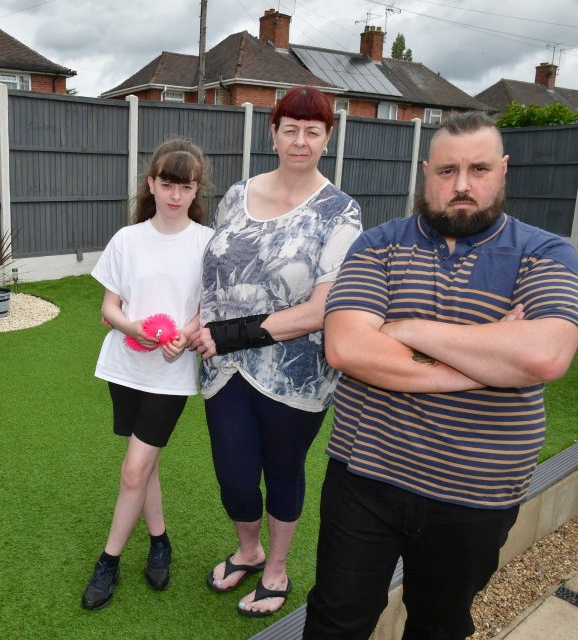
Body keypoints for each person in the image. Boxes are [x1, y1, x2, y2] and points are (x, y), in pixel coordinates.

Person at [303, 111, 578, 639]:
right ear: (425, 171)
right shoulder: (377, 246)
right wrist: (480, 368)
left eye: (478, 169)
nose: (461, 185)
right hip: (365, 477)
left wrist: (406, 327)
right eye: (446, 171)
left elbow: (544, 356)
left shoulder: (544, 252)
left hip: (476, 493)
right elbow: (345, 347)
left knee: (440, 625)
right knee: (335, 619)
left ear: (502, 170)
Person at [185, 86, 362, 617]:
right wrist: (196, 320)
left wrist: (229, 333)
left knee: (282, 469)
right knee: (234, 474)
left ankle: (278, 568)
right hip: (223, 367)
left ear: (327, 138)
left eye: (313, 131)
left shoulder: (340, 212)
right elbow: (213, 274)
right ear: (274, 133)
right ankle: (249, 549)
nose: (300, 141)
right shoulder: (237, 194)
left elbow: (320, 310)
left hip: (296, 371)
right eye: (290, 129)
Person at [81, 138, 214, 610]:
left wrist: (187, 332)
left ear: (196, 189)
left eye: (186, 186)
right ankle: (159, 541)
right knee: (146, 464)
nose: (176, 195)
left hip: (170, 374)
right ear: (152, 184)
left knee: (133, 468)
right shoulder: (127, 239)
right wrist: (132, 326)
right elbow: (109, 308)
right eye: (167, 184)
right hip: (125, 366)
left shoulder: (206, 242)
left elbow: (204, 310)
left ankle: (109, 560)